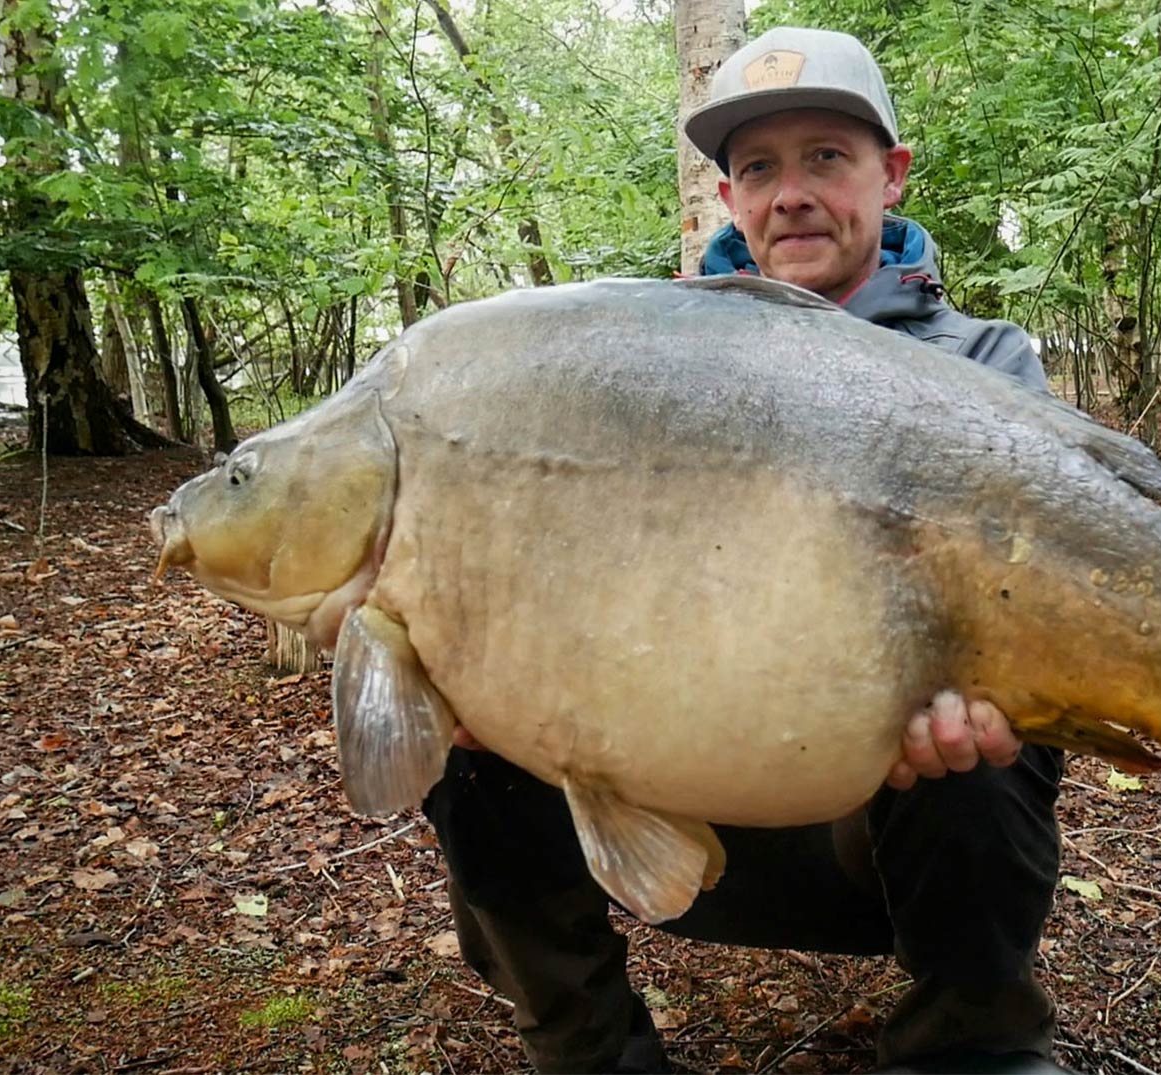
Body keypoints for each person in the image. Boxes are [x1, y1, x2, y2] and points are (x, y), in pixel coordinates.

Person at [422, 26, 1073, 1075]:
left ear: (889, 175)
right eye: (759, 167)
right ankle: (589, 1051)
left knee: (990, 744)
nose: (791, 193)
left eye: (825, 156)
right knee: (465, 738)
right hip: (669, 791)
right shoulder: (642, 363)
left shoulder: (987, 364)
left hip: (874, 810)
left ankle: (975, 1044)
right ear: (728, 197)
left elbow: (1041, 591)